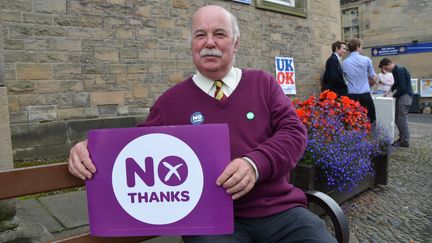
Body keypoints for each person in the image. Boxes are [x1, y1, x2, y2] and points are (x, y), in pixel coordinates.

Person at [68, 5, 337, 243]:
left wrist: (255, 164)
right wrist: (90, 148)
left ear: (236, 43)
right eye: (200, 35)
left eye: (219, 34)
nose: (209, 42)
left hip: (280, 212)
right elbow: (134, 148)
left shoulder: (262, 83)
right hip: (210, 222)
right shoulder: (171, 102)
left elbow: (294, 133)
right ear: (192, 45)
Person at [380, 58, 414, 147]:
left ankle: (405, 140)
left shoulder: (399, 70)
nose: (385, 70)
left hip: (405, 96)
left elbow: (402, 87)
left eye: (385, 68)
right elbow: (396, 83)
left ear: (389, 64)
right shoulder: (395, 71)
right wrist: (389, 91)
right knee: (397, 117)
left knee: (402, 118)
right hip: (403, 96)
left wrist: (392, 96)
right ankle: (402, 138)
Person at [343, 38, 378, 124]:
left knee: (352, 122)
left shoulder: (344, 62)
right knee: (371, 120)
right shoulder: (366, 59)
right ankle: (370, 137)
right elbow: (374, 78)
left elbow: (344, 79)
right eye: (361, 47)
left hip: (351, 96)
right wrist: (372, 83)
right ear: (358, 47)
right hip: (365, 95)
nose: (362, 48)